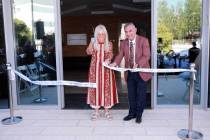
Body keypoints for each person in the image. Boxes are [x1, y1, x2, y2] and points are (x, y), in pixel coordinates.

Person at [110, 23, 152, 124]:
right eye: (126, 32)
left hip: (142, 71)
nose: (128, 34)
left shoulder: (143, 40)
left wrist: (137, 64)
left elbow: (147, 56)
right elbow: (120, 55)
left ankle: (139, 115)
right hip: (130, 73)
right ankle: (131, 113)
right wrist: (115, 63)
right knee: (131, 95)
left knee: (141, 95)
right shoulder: (124, 43)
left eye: (130, 31)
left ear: (135, 30)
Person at [86, 24, 118, 121]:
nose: (101, 36)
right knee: (95, 89)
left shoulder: (109, 44)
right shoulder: (93, 43)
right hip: (94, 71)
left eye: (103, 34)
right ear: (96, 34)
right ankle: (96, 112)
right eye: (99, 34)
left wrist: (108, 59)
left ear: (106, 34)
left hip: (106, 71)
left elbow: (111, 54)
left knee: (106, 90)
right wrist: (91, 43)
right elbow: (88, 52)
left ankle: (107, 111)